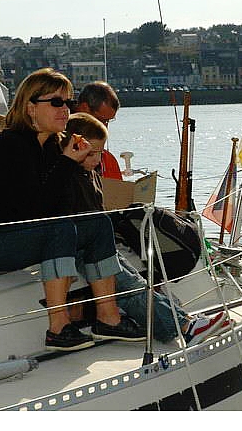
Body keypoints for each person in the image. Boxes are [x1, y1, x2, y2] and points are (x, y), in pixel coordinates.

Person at [0, 68, 144, 352]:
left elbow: (57, 205)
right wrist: (68, 162)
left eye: (68, 102)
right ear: (31, 107)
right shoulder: (12, 146)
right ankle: (58, 327)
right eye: (56, 102)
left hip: (19, 233)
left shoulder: (47, 146)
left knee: (97, 223)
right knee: (60, 228)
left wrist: (72, 163)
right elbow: (36, 209)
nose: (65, 109)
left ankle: (108, 318)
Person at [60, 112, 233, 345]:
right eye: (91, 153)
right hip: (83, 247)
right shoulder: (68, 177)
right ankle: (183, 327)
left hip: (97, 244)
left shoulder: (89, 176)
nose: (98, 159)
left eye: (100, 153)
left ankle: (184, 320)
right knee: (129, 286)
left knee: (136, 283)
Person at [74, 81, 123, 180]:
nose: (105, 128)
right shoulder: (61, 140)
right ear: (84, 108)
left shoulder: (108, 160)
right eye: (101, 120)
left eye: (108, 121)